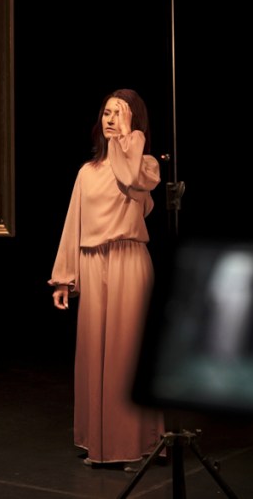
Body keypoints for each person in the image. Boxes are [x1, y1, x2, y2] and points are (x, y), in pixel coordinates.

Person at [49, 89, 164, 467]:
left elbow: (129, 175)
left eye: (121, 113)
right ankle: (102, 444)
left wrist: (129, 138)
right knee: (95, 354)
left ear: (135, 120)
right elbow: (74, 224)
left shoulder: (145, 165)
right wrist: (64, 277)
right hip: (92, 261)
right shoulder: (87, 172)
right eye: (107, 113)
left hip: (129, 261)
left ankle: (136, 444)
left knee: (126, 353)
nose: (111, 119)